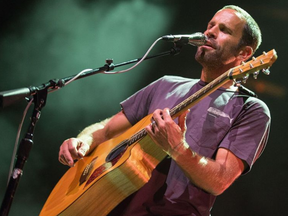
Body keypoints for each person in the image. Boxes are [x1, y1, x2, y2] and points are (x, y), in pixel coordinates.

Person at [58, 5, 270, 216]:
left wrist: (176, 146)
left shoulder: (250, 109)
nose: (210, 32)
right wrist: (83, 141)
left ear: (244, 53)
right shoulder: (165, 84)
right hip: (108, 207)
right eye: (210, 25)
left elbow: (220, 181)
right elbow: (106, 130)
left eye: (224, 30)